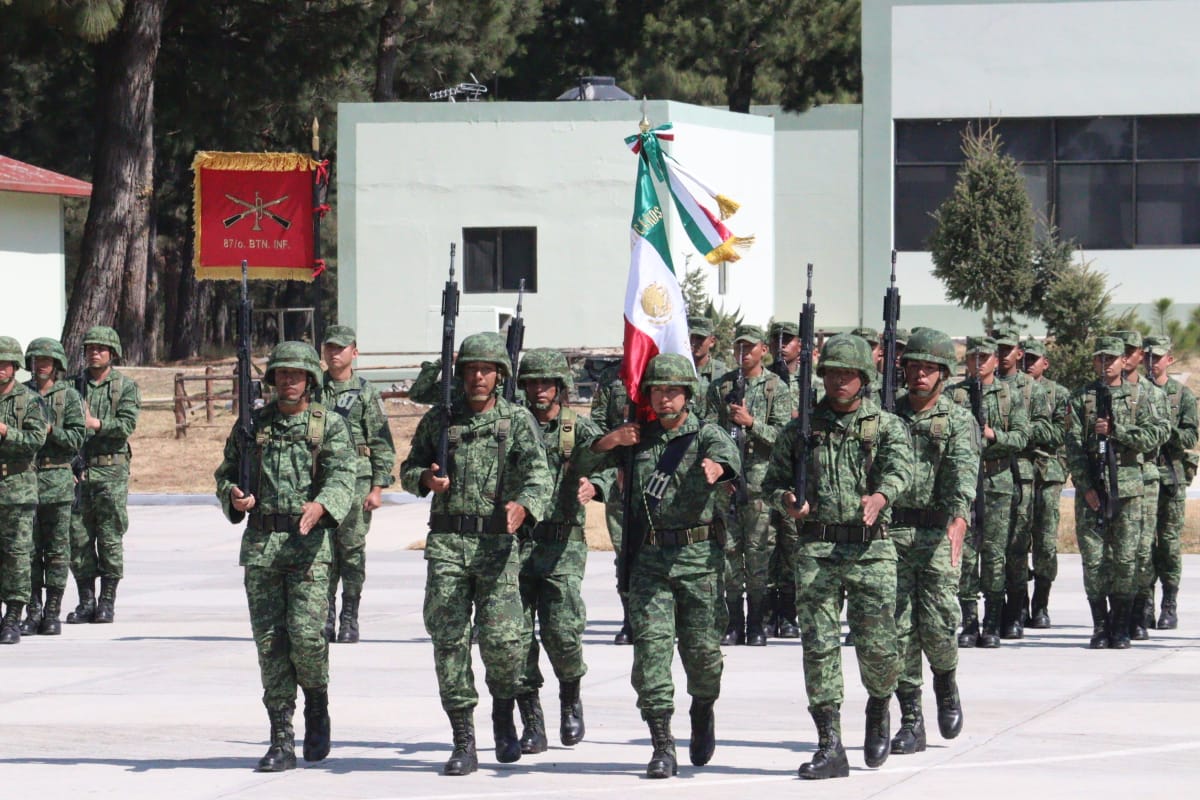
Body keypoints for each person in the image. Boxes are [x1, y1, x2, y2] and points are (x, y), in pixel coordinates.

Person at [577, 352, 740, 779]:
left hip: (699, 561)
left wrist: (717, 467)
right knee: (650, 655)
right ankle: (662, 743)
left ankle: (703, 706)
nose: (665, 398)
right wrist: (611, 442)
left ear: (688, 394)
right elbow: (590, 462)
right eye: (658, 391)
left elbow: (730, 459)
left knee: (703, 655)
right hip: (649, 561)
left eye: (673, 391)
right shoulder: (637, 440)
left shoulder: (705, 434)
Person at [399, 332, 552, 776]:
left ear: (500, 375)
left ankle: (504, 712)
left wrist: (524, 506)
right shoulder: (441, 420)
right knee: (449, 642)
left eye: (486, 369)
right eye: (470, 369)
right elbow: (409, 469)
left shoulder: (517, 421)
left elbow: (538, 475)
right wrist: (426, 481)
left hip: (496, 547)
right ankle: (463, 739)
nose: (478, 376)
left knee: (505, 644)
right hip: (447, 544)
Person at [763, 333, 912, 780]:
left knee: (879, 645)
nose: (838, 382)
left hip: (871, 549)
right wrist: (787, 499)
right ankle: (830, 744)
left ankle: (880, 706)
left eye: (848, 374)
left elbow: (901, 468)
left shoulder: (884, 425)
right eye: (831, 373)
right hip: (817, 548)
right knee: (819, 647)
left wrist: (882, 495)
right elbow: (772, 482)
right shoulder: (801, 430)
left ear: (864, 378)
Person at [215, 341, 356, 771]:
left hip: (309, 548)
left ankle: (316, 700)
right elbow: (226, 474)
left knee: (308, 637)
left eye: (296, 375)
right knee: (271, 645)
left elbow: (342, 474)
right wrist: (233, 496)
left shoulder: (327, 425)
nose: (288, 382)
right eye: (281, 375)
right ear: (272, 379)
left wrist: (323, 505)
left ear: (310, 380)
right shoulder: (251, 427)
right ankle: (281, 736)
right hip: (262, 547)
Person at [511, 349, 605, 754]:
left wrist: (595, 485)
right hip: (516, 544)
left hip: (562, 543)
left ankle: (570, 698)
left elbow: (604, 460)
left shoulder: (576, 429)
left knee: (563, 633)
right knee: (514, 638)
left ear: (561, 388)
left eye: (547, 383)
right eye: (532, 382)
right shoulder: (512, 425)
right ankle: (532, 719)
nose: (539, 390)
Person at [888, 329, 976, 754]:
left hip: (938, 531)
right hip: (893, 532)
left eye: (928, 368)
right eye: (912, 367)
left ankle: (946, 682)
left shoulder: (958, 419)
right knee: (899, 627)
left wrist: (959, 517)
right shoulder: (887, 416)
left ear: (943, 374)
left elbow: (963, 473)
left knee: (939, 624)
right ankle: (911, 719)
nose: (919, 375)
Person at [1065, 336, 1163, 649]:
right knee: (1094, 562)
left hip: (1130, 489)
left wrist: (1118, 431)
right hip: (1093, 490)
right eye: (1100, 359)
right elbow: (1072, 446)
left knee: (1126, 561)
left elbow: (1157, 435)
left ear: (1123, 360)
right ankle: (1099, 625)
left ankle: (1121, 625)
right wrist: (1086, 486)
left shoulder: (1143, 395)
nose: (1106, 364)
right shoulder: (1082, 398)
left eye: (1112, 358)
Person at [705, 324, 793, 646]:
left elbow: (784, 437)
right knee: (728, 556)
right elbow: (708, 433)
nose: (743, 353)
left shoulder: (775, 388)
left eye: (749, 347)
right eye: (739, 347)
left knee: (758, 557)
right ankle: (732, 622)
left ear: (762, 351)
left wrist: (751, 423)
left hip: (758, 486)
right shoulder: (720, 387)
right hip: (727, 486)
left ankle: (756, 621)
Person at [947, 336, 1028, 649]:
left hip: (997, 484)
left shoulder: (1010, 396)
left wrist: (993, 436)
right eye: (973, 357)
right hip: (965, 486)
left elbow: (1022, 437)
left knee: (994, 554)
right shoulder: (954, 395)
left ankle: (992, 620)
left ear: (996, 360)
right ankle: (969, 621)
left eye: (985, 357)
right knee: (965, 556)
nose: (979, 363)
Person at [318, 325, 396, 644]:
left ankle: (350, 615)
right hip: (320, 484)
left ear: (354, 352)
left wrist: (378, 487)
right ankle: (325, 614)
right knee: (321, 554)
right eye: (329, 348)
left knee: (351, 553)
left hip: (356, 485)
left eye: (341, 348)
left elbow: (382, 442)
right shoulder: (313, 390)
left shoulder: (365, 392)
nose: (334, 353)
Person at [66, 326, 141, 625]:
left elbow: (126, 426)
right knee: (78, 537)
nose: (94, 353)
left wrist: (94, 423)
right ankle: (86, 600)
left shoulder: (125, 387)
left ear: (112, 353)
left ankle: (107, 600)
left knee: (110, 536)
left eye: (100, 348)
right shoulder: (72, 387)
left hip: (110, 470)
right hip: (79, 471)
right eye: (89, 348)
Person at [19, 338, 85, 636]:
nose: (40, 365)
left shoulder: (69, 396)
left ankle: (52, 610)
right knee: (30, 550)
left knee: (58, 550)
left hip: (57, 480)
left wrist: (49, 430)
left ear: (57, 364)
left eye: (46, 361)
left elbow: (76, 438)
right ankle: (32, 610)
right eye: (36, 360)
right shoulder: (20, 395)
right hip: (27, 480)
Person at [1112, 329, 1172, 641]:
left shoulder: (1152, 394)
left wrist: (1122, 433)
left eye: (1132, 351)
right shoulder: (1101, 392)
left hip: (1145, 479)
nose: (1126, 356)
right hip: (1110, 480)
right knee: (1114, 552)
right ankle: (1118, 614)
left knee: (1141, 550)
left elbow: (1160, 435)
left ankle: (1140, 609)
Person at [1143, 335, 1198, 629]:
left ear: (1169, 360)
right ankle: (1145, 604)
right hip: (1143, 478)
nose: (1152, 362)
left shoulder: (1183, 396)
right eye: (1148, 357)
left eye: (1157, 357)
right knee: (1142, 544)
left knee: (1168, 544)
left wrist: (1167, 431)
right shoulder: (1136, 392)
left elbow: (1190, 437)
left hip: (1172, 477)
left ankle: (1169, 604)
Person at [0, 337, 48, 645]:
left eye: (4, 364)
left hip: (17, 490)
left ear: (14, 367)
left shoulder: (28, 400)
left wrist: (6, 432)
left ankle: (14, 616)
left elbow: (36, 439)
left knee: (17, 555)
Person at [1021, 339, 1071, 628]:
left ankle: (1040, 605)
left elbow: (1060, 435)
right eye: (1024, 357)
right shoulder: (1011, 389)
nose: (1029, 363)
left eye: (1034, 358)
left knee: (1045, 541)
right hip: (1018, 472)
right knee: (1014, 541)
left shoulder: (1059, 394)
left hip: (1047, 475)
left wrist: (1024, 431)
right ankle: (1016, 605)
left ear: (1045, 363)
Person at [589, 360, 634, 644]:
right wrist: (615, 461)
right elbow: (597, 427)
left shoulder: (671, 365)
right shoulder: (612, 376)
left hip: (664, 476)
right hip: (621, 476)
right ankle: (630, 619)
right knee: (625, 552)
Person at [689, 316, 726, 417]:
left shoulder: (723, 375)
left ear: (712, 341)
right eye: (691, 337)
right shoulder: (678, 371)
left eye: (700, 338)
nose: (694, 342)